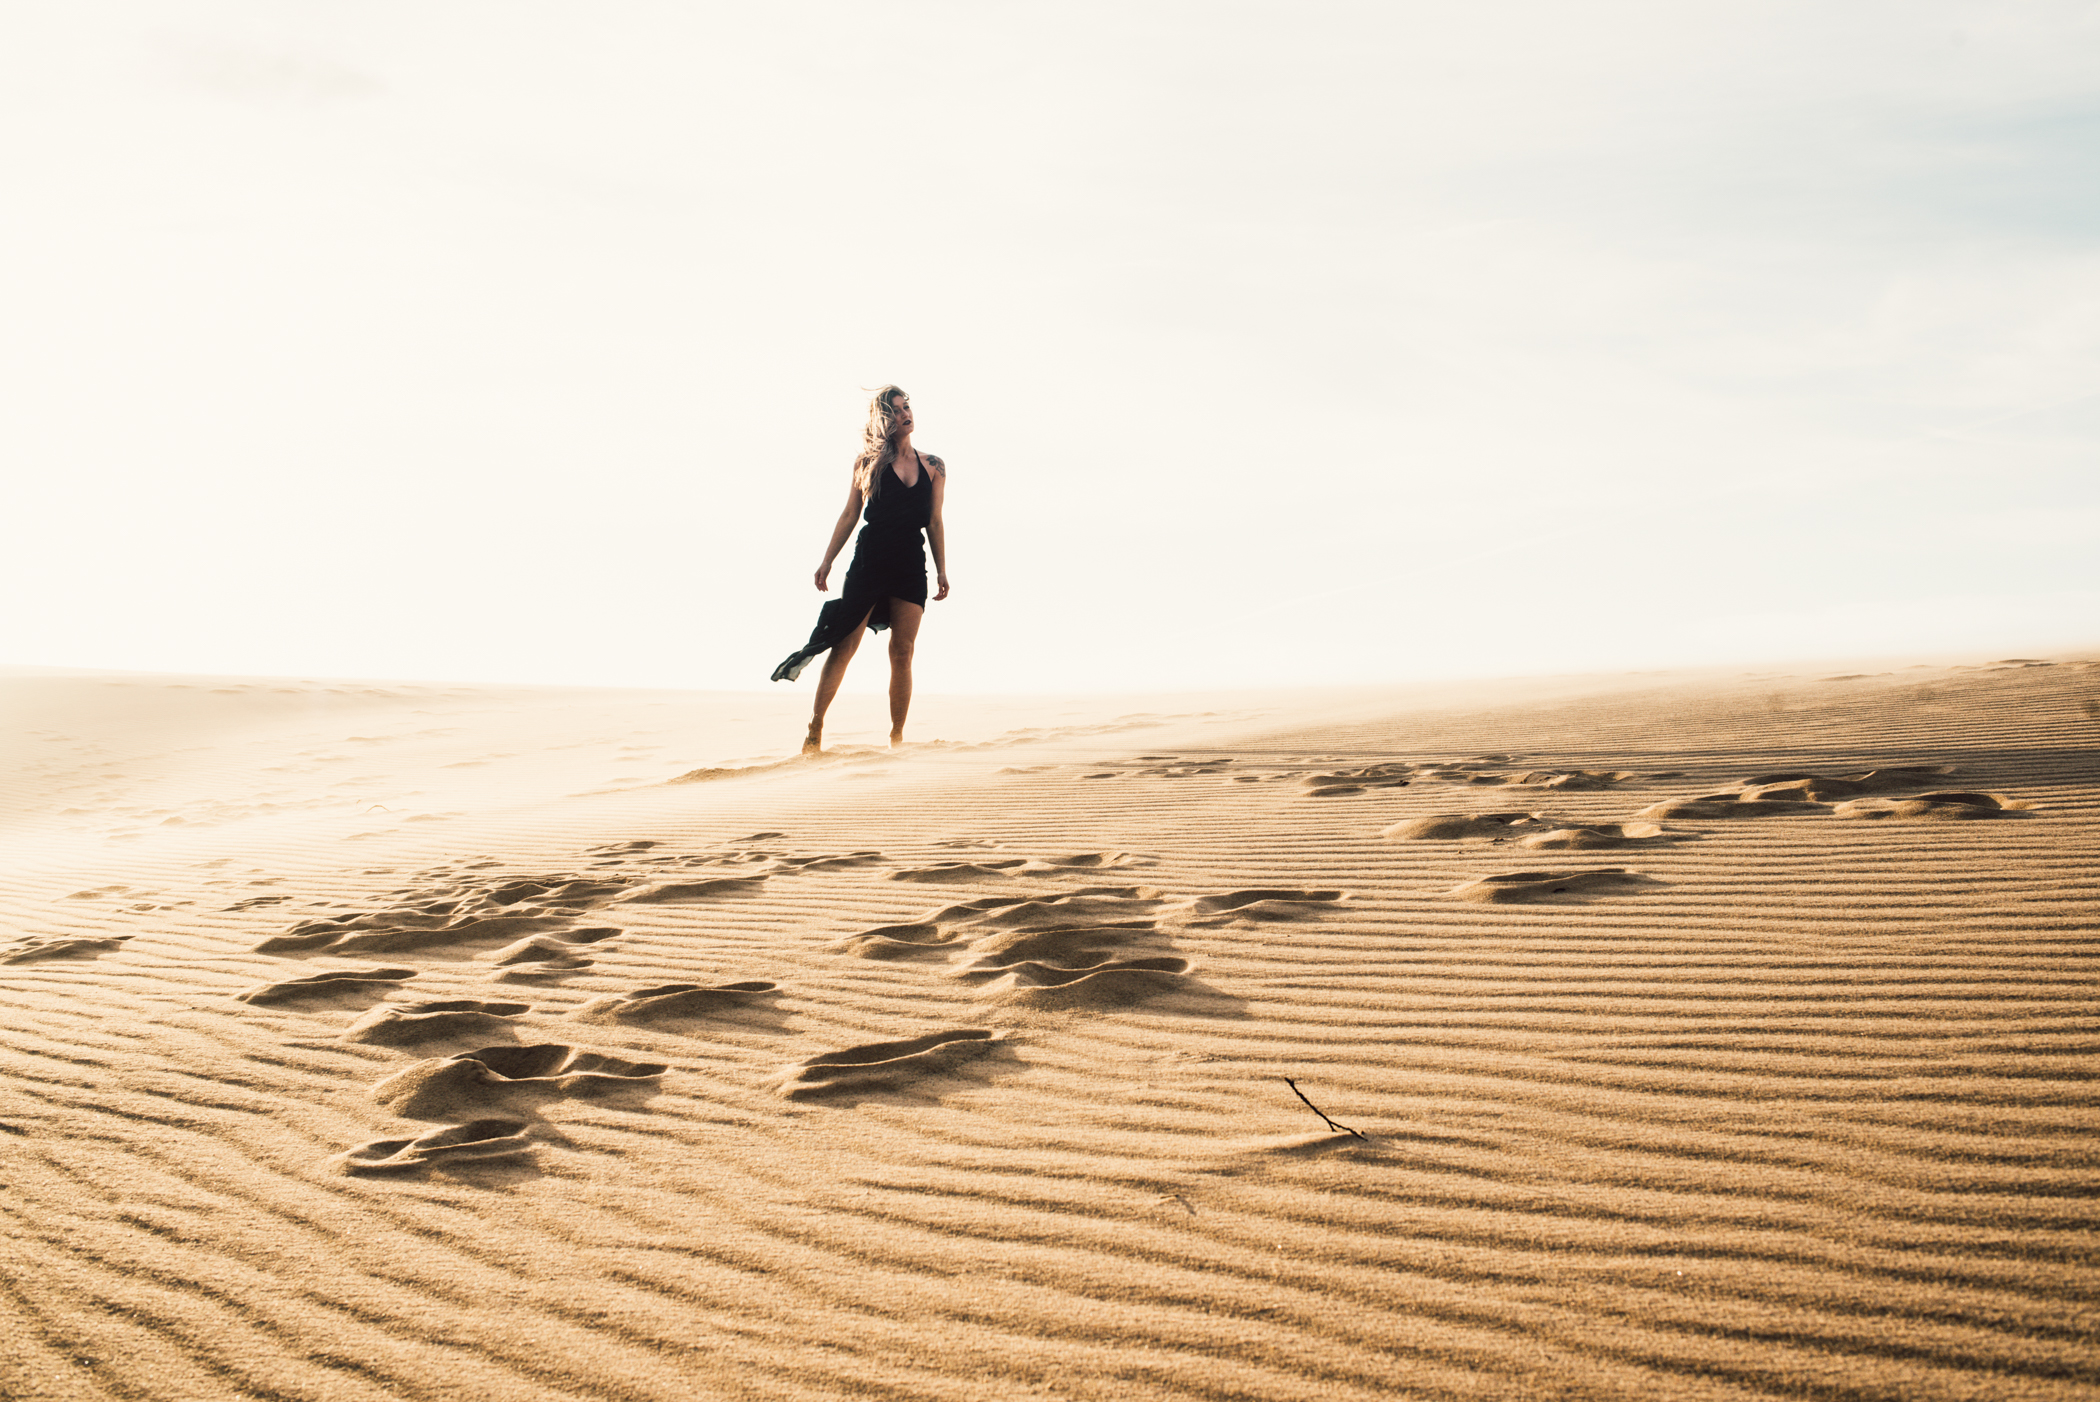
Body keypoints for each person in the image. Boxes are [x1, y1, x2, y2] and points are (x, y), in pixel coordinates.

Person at [771, 385, 948, 753]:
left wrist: (942, 569)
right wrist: (827, 560)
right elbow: (850, 514)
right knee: (845, 645)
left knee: (903, 652)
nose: (905, 414)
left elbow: (934, 520)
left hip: (910, 565)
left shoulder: (934, 466)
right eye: (897, 410)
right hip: (870, 561)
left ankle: (897, 739)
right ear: (885, 419)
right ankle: (815, 729)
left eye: (907, 407)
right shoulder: (867, 463)